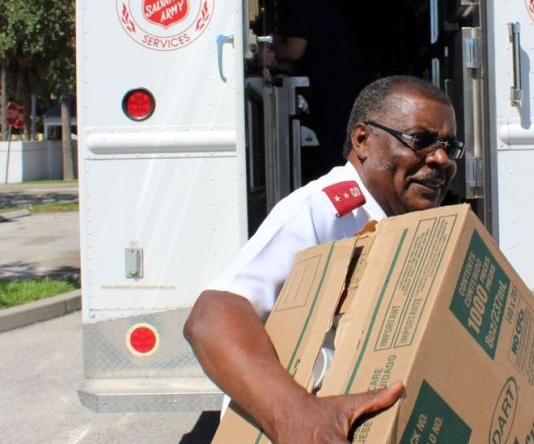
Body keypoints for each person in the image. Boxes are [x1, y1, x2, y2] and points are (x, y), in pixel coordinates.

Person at [184, 75, 465, 443]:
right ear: (363, 140)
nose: (441, 159)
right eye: (422, 141)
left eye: (449, 146)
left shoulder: (405, 224)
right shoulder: (324, 210)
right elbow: (211, 316)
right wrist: (296, 417)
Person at [261, 0, 370, 179]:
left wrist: (266, 52)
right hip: (346, 83)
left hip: (334, 87)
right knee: (344, 144)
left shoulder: (303, 1)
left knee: (334, 148)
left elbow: (294, 50)